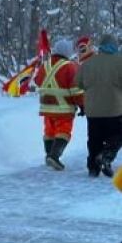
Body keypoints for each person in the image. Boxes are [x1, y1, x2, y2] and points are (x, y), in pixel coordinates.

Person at [33, 37, 83, 170]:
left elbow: (37, 81)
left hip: (46, 106)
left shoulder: (45, 65)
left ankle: (49, 155)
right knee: (63, 131)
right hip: (63, 107)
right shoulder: (70, 67)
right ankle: (54, 157)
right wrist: (83, 105)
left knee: (49, 131)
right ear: (67, 52)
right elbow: (76, 90)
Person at [76, 33, 122, 177]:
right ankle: (106, 156)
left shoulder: (88, 63)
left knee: (94, 138)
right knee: (117, 135)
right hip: (114, 108)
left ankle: (93, 168)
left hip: (93, 109)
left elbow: (78, 82)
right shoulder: (120, 61)